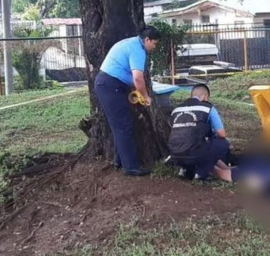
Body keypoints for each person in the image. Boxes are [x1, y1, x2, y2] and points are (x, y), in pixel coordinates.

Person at [94, 26, 161, 177]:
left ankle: (119, 160)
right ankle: (131, 167)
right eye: (154, 44)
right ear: (147, 40)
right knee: (124, 126)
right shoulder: (138, 49)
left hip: (108, 85)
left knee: (119, 125)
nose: (154, 47)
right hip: (110, 86)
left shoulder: (130, 43)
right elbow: (138, 78)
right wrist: (145, 97)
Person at [168, 83, 231, 181]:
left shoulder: (176, 110)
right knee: (223, 144)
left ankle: (184, 169)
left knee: (188, 141)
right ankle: (201, 173)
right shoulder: (207, 108)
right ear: (205, 96)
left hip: (174, 153)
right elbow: (222, 134)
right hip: (195, 152)